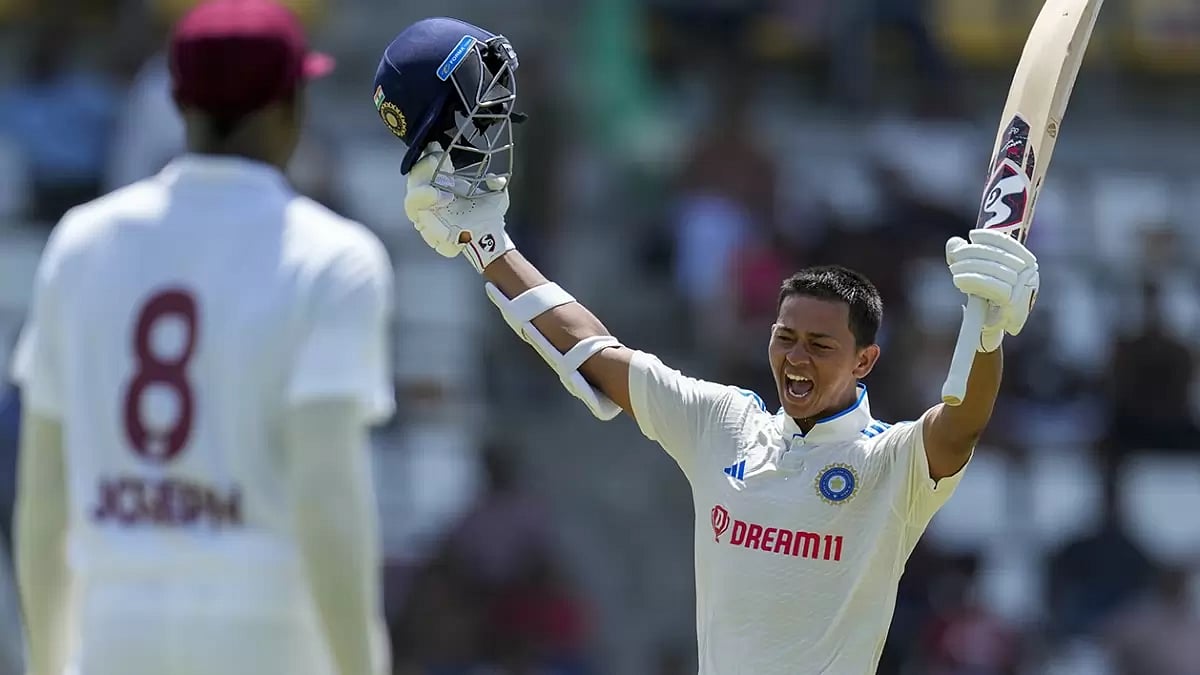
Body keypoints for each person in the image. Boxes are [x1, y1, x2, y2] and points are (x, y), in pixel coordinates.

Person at [379, 18, 1041, 673]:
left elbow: (960, 424)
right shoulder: (724, 425)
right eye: (785, 338)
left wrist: (986, 335)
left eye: (819, 343)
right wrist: (488, 244)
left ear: (865, 359)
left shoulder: (887, 464)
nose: (795, 357)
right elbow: (591, 350)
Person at [10, 1, 393, 674]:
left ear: (179, 102)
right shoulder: (333, 256)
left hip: (114, 625)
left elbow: (42, 498)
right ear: (290, 106)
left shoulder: (80, 242)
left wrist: (46, 662)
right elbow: (327, 497)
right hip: (271, 631)